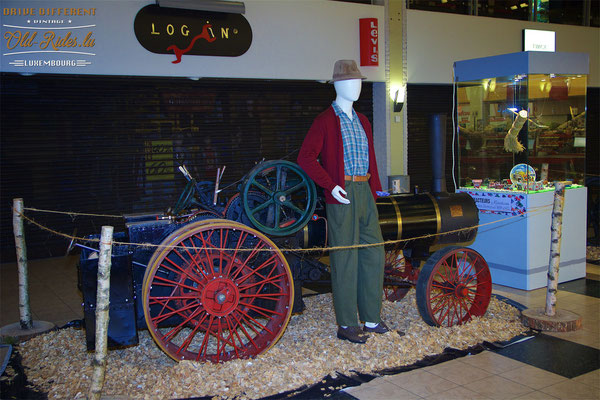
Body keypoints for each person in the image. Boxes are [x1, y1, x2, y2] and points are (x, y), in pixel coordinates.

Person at [297, 60, 391, 344]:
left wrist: (374, 189)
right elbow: (306, 158)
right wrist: (331, 186)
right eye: (351, 82)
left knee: (374, 253)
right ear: (338, 85)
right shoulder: (325, 120)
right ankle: (348, 324)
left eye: (359, 81)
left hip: (364, 190)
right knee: (345, 258)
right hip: (342, 193)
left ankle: (372, 318)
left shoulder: (362, 120)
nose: (357, 86)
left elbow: (370, 157)